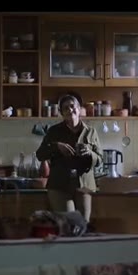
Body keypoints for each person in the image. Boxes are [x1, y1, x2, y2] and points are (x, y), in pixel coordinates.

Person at [36, 94, 102, 222]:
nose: (70, 110)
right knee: (68, 223)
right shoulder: (54, 132)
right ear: (61, 113)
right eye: (65, 108)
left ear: (79, 109)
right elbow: (40, 154)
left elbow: (100, 160)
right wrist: (56, 146)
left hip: (84, 186)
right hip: (60, 186)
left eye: (72, 106)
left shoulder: (91, 131)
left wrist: (90, 153)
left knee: (83, 223)